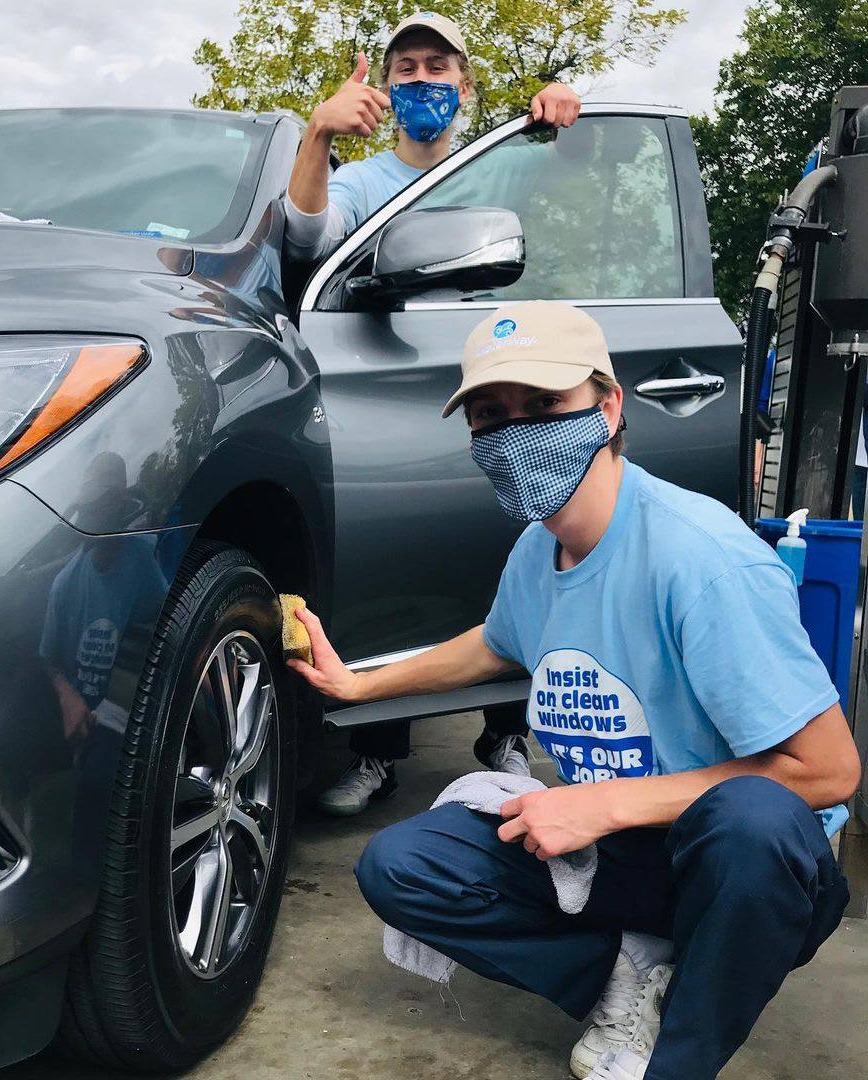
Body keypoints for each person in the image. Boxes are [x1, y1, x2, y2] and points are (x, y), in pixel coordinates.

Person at [287, 300, 860, 1080]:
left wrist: (606, 803)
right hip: (621, 849)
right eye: (491, 414)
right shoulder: (538, 548)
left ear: (609, 406)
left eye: (544, 402)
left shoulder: (701, 560)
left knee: (754, 821)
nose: (516, 431)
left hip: (736, 865)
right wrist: (360, 686)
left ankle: (678, 1052)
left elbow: (828, 771)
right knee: (403, 864)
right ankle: (623, 980)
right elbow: (495, 643)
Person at [285, 10, 581, 815]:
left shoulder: (498, 169)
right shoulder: (360, 181)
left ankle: (506, 735)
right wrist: (318, 134)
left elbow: (570, 178)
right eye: (406, 69)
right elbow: (307, 239)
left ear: (465, 84)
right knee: (401, 566)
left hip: (497, 389)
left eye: (438, 67)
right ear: (385, 87)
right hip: (396, 395)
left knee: (513, 548)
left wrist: (562, 109)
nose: (422, 81)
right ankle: (378, 749)